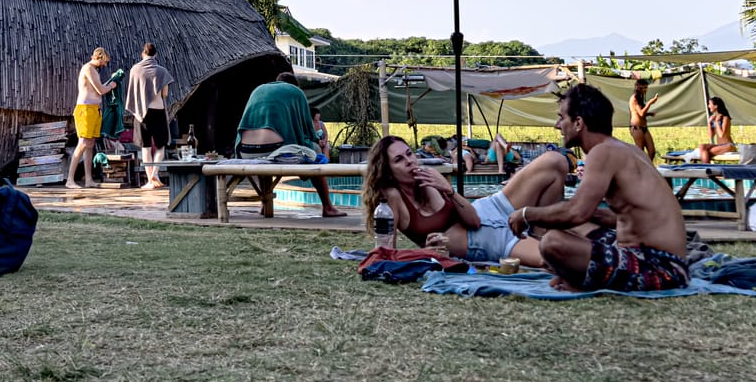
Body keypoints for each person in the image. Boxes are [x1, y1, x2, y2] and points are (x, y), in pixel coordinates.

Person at [511, 83, 691, 293]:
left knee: (552, 243)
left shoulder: (602, 153)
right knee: (568, 227)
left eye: (562, 117)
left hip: (661, 269)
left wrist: (525, 214)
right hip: (665, 261)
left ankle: (579, 281)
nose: (557, 126)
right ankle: (578, 277)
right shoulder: (628, 150)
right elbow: (624, 218)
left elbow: (577, 213)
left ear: (578, 122)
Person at [360, 134, 583, 266]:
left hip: (490, 210)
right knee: (557, 258)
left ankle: (539, 233)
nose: (409, 161)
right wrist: (425, 253)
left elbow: (473, 219)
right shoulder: (391, 199)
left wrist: (448, 190)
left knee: (555, 161)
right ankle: (541, 241)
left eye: (409, 153)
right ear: (387, 170)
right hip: (487, 242)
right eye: (399, 159)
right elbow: (384, 255)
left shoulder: (429, 178)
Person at [235, 76, 341, 217]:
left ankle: (265, 204)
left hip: (245, 150)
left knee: (264, 154)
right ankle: (328, 206)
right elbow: (307, 129)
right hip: (276, 151)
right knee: (314, 151)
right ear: (294, 86)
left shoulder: (258, 90)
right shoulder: (295, 92)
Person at [126, 43, 174, 191]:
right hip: (158, 110)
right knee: (160, 145)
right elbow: (165, 94)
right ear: (156, 54)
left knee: (145, 147)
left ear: (143, 54)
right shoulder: (162, 71)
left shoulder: (135, 69)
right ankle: (155, 174)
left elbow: (133, 92)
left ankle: (149, 180)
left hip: (142, 113)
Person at [69, 47, 114, 190]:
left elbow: (97, 89)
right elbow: (100, 90)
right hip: (86, 110)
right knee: (82, 143)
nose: (105, 65)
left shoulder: (94, 71)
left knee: (90, 144)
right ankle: (70, 180)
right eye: (104, 62)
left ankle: (89, 179)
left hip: (95, 110)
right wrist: (112, 85)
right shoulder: (88, 68)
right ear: (98, 57)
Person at [696, 95, 736, 164]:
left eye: (710, 104)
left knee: (706, 153)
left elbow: (721, 135)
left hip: (728, 146)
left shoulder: (725, 118)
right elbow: (711, 135)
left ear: (716, 106)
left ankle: (707, 170)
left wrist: (717, 122)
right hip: (719, 145)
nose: (708, 106)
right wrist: (709, 122)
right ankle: (706, 169)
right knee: (702, 146)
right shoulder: (714, 118)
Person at [627, 78, 657, 163]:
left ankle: (647, 168)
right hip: (637, 128)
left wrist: (649, 114)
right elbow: (641, 114)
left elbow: (640, 113)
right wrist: (650, 103)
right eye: (644, 88)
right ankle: (638, 171)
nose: (645, 90)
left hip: (644, 127)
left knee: (652, 151)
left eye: (646, 87)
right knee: (640, 153)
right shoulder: (634, 98)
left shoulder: (640, 97)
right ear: (639, 87)